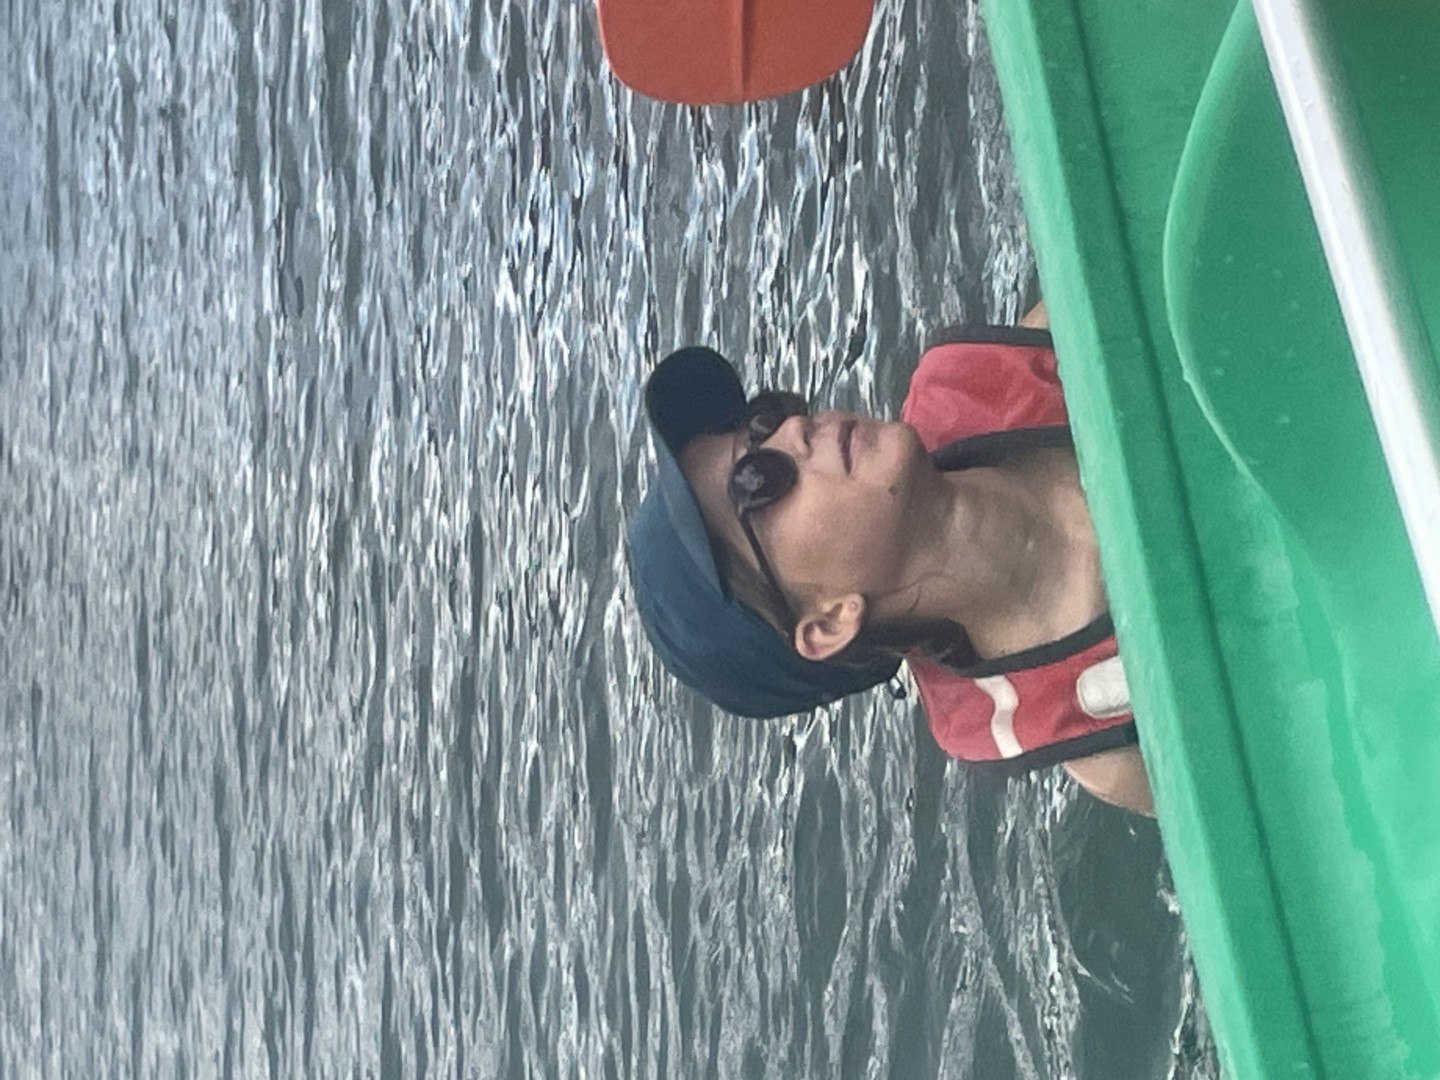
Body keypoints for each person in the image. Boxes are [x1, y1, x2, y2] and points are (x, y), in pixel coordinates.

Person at [626, 305, 1154, 815]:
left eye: (761, 424)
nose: (793, 430)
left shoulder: (1006, 371)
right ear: (829, 621)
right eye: (757, 479)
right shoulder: (1121, 752)